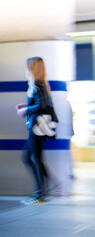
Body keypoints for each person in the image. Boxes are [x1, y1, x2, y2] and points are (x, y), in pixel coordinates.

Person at [15, 57, 58, 205]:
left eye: (27, 67)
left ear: (32, 68)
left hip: (38, 127)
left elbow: (42, 106)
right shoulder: (40, 84)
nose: (25, 70)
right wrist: (26, 107)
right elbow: (41, 104)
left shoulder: (38, 84)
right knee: (30, 158)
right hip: (39, 127)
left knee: (33, 158)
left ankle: (41, 193)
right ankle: (44, 188)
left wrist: (26, 109)